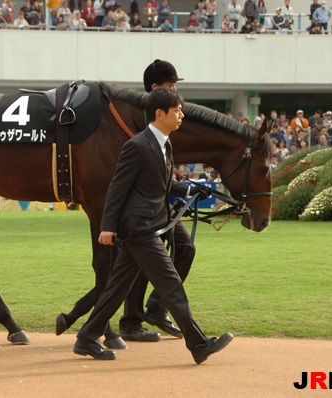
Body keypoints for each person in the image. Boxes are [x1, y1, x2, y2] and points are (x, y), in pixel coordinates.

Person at [73, 88, 233, 363]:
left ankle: (87, 337)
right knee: (171, 285)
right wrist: (107, 227)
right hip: (140, 229)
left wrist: (190, 190)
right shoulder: (136, 146)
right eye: (177, 110)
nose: (182, 115)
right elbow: (117, 189)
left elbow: (162, 184)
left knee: (117, 288)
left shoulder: (165, 144)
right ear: (160, 114)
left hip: (149, 225)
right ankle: (198, 344)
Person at [116, 60, 209, 343]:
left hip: (160, 205)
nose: (176, 90)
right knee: (142, 264)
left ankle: (152, 310)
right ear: (156, 88)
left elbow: (164, 177)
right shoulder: (142, 125)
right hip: (143, 213)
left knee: (184, 248)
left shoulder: (165, 126)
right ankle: (130, 322)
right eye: (171, 85)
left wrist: (188, 189)